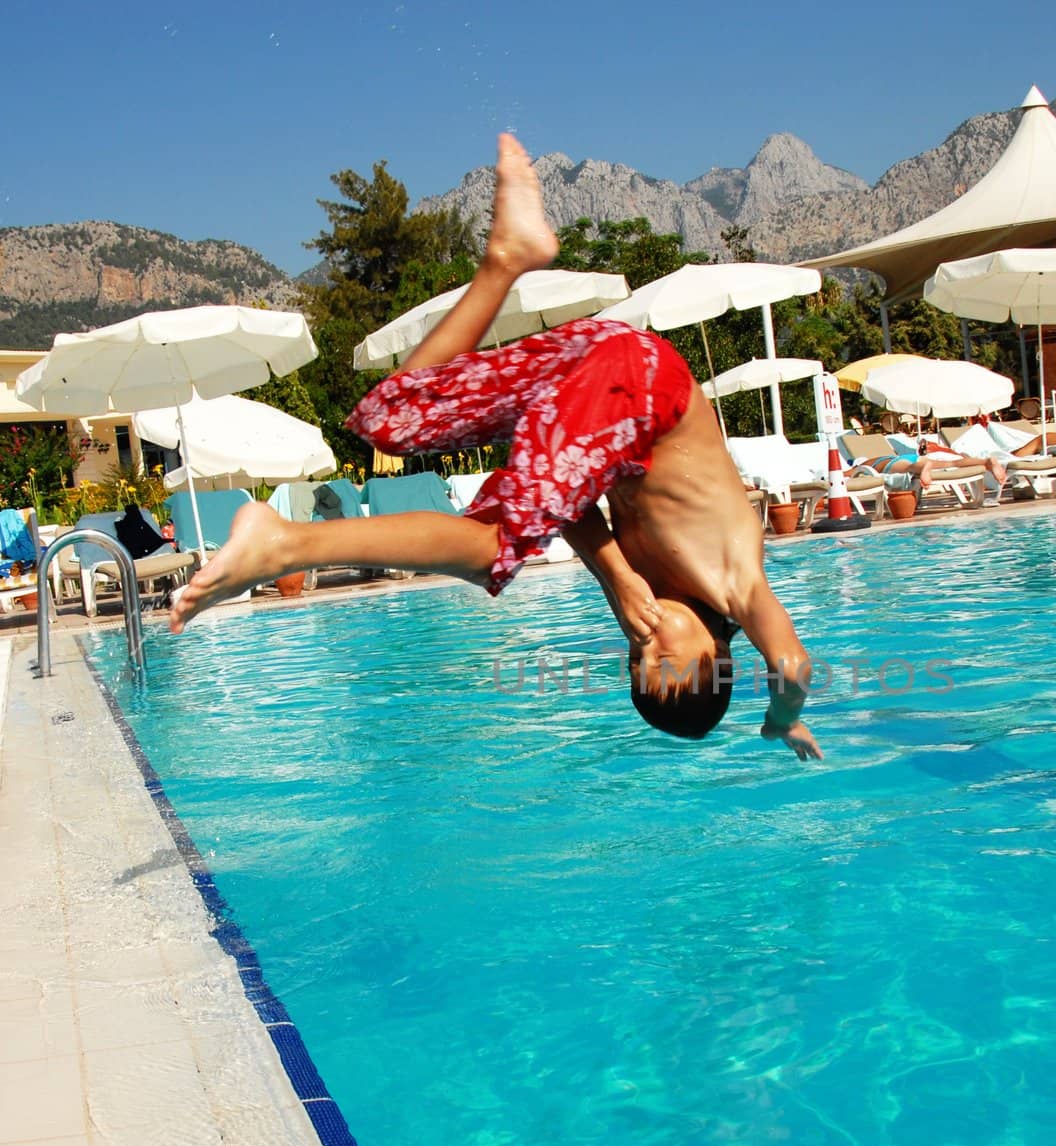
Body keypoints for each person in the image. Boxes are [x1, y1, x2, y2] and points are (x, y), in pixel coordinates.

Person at [169, 134, 821, 760]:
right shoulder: (736, 579)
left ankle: (509, 256)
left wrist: (618, 578)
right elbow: (793, 664)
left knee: (397, 415)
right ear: (722, 658)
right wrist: (782, 718)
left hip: (609, 365)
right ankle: (284, 542)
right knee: (491, 555)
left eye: (633, 660)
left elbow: (568, 506)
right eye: (667, 660)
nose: (644, 643)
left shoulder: (644, 593)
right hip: (646, 386)